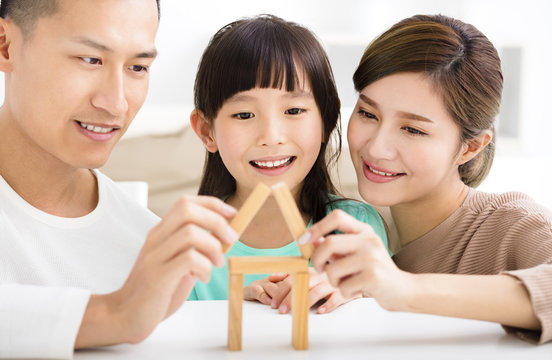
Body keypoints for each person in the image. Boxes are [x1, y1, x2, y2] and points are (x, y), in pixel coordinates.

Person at [0, 0, 238, 358]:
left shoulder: (146, 245)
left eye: (138, 67)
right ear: (6, 45)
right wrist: (113, 313)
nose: (116, 104)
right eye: (90, 59)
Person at [300, 14, 552, 344]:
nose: (376, 147)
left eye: (414, 129)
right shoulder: (346, 226)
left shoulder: (509, 224)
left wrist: (403, 287)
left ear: (470, 147)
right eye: (367, 113)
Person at [188, 15, 388, 314]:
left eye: (294, 110)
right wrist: (230, 313)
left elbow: (385, 324)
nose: (271, 137)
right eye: (244, 115)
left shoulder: (355, 229)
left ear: (327, 120)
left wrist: (353, 294)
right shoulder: (191, 245)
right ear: (207, 131)